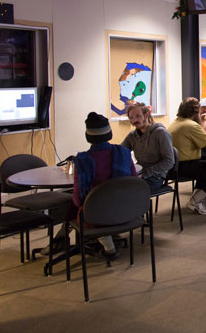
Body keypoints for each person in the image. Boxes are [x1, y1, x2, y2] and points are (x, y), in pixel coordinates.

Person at [70, 112, 135, 260]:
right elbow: (133, 182)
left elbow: (78, 198)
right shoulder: (124, 154)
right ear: (109, 133)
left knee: (72, 207)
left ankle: (107, 247)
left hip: (96, 215)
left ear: (88, 136)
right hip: (126, 210)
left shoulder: (83, 161)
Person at [121, 102, 175, 191]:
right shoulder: (132, 135)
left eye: (138, 116)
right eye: (131, 118)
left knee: (128, 191)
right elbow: (121, 152)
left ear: (146, 115)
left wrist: (145, 173)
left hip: (155, 177)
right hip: (139, 174)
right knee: (117, 187)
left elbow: (169, 161)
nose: (134, 120)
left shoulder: (161, 133)